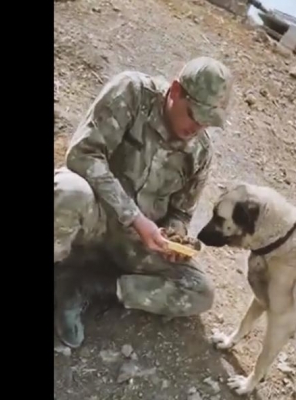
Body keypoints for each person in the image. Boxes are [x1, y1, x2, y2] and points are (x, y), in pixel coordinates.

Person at [53, 57, 233, 348]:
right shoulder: (132, 93)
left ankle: (85, 286)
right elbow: (83, 155)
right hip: (93, 215)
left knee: (200, 291)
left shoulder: (199, 152)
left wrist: (175, 239)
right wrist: (134, 217)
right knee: (69, 191)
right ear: (175, 91)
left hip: (136, 242)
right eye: (193, 114)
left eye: (206, 122)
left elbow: (181, 211)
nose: (196, 128)